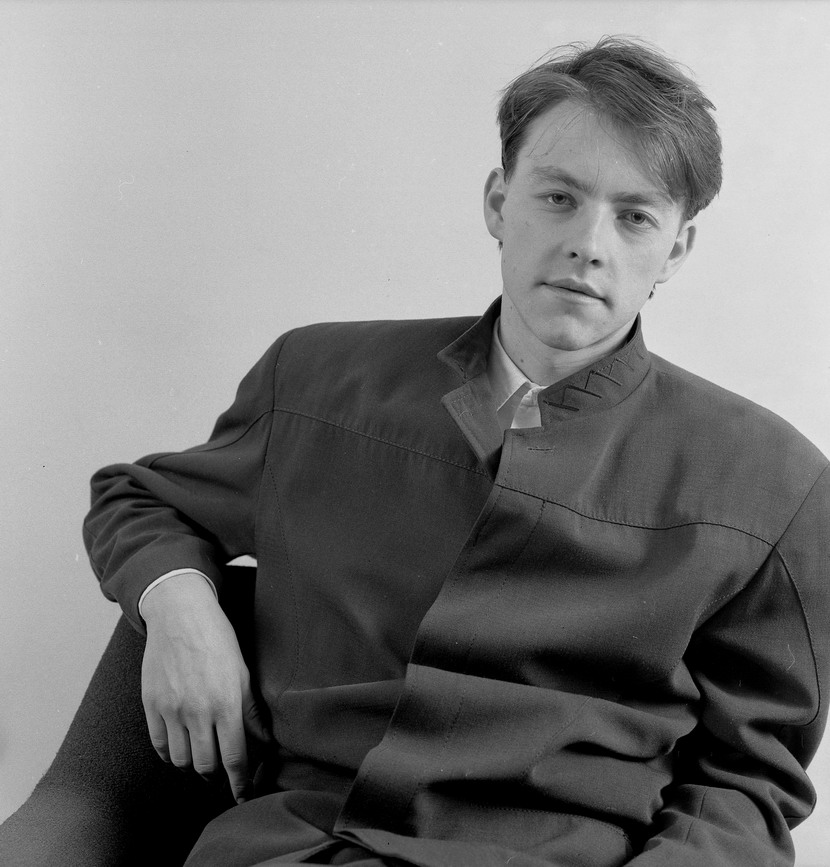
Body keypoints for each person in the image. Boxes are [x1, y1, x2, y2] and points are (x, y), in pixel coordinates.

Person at [83, 36, 830, 867]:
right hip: (300, 847)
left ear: (676, 250)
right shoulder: (318, 380)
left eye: (635, 216)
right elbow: (139, 497)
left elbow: (747, 781)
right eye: (558, 197)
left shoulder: (774, 482)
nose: (590, 243)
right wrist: (180, 607)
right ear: (498, 204)